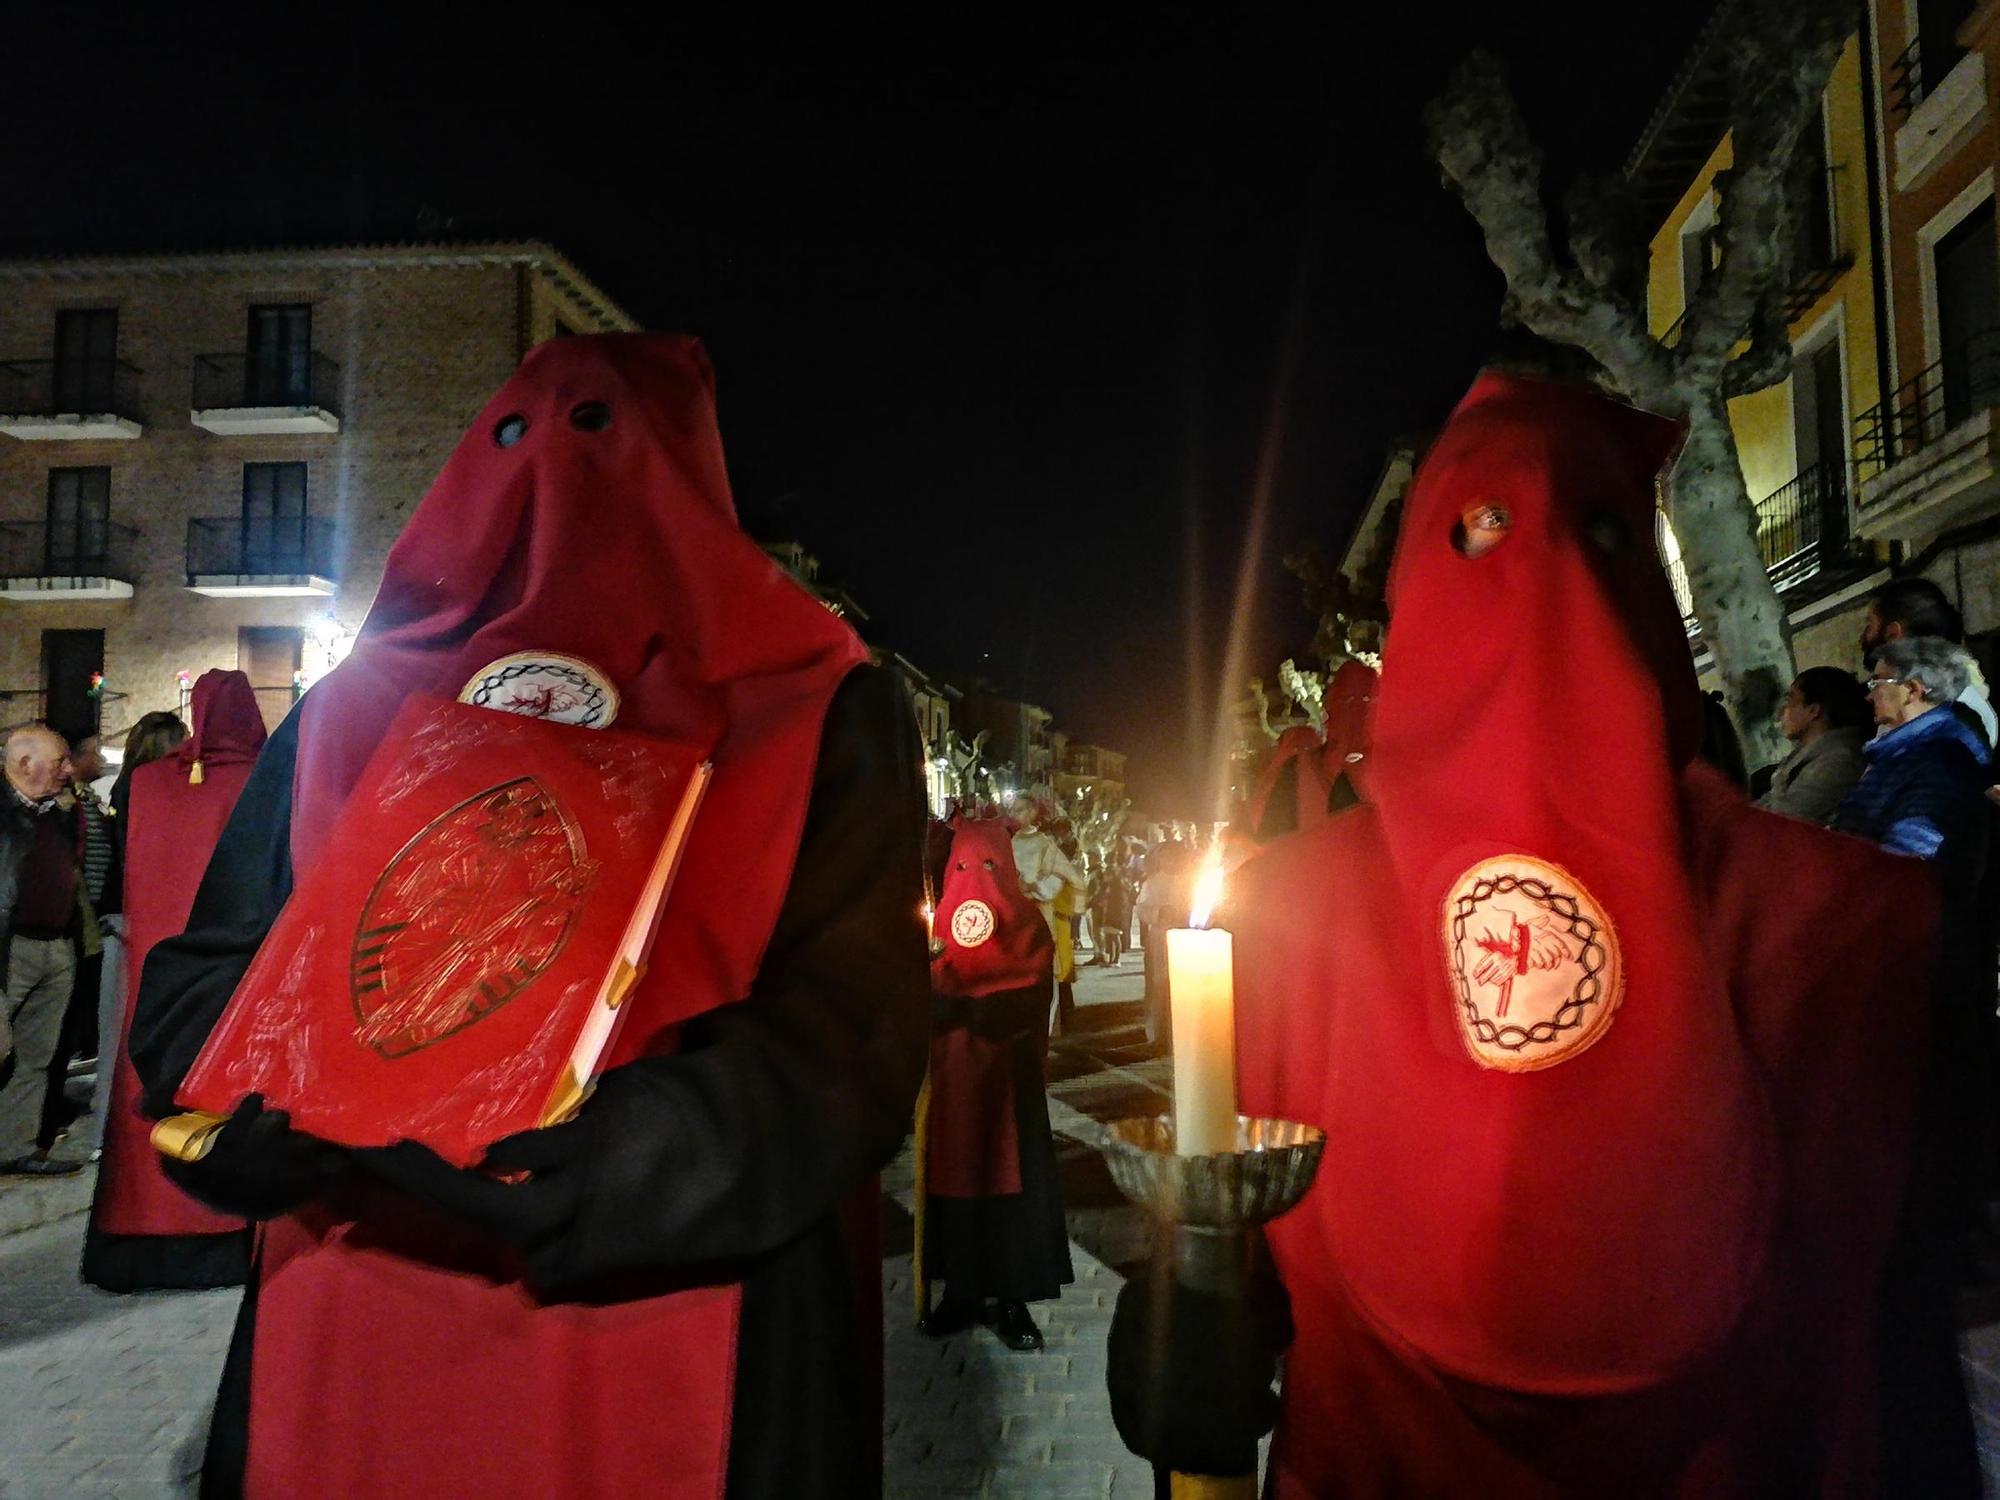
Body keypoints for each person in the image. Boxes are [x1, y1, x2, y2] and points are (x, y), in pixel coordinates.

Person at [1110, 370, 1952, 1493]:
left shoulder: (1284, 914)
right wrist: (1192, 1306)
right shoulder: (1850, 917)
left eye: (1589, 530)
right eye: (1485, 528)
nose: (1540, 572)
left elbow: (1895, 1316)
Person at [126, 334, 930, 1498]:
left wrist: (620, 1156)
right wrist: (253, 1102)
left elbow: (850, 1028)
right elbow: (205, 983)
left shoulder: (815, 709)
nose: (555, 476)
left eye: (602, 433)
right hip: (353, 1312)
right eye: (518, 436)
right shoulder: (349, 712)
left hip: (667, 1302)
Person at [83, 672, 265, 1292]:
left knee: (149, 1082)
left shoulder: (148, 782)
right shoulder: (261, 782)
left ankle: (139, 1225)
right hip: (233, 970)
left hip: (153, 970)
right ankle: (225, 1231)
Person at [920, 810, 1073, 1351]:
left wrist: (984, 1008)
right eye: (964, 865)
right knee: (956, 1182)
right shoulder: (935, 928)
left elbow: (1033, 994)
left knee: (1010, 1188)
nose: (977, 878)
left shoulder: (1029, 927)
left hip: (1010, 1090)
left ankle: (1011, 1297)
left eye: (989, 864)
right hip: (955, 1090)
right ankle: (960, 1293)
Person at [1, 724, 83, 1175]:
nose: (68, 770)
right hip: (10, 947)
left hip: (55, 946)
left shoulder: (57, 813)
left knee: (36, 1055)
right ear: (23, 763)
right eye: (59, 762)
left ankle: (14, 1146)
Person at [40, 731, 117, 1153]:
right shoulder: (58, 806)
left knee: (60, 1028)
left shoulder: (82, 799)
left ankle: (43, 1116)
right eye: (92, 751)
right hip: (61, 924)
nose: (97, 758)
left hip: (80, 922)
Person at [1860, 576, 1996, 747]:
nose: (1863, 637)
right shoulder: (1910, 702)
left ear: (1894, 634)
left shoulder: (1959, 710)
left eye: (1870, 624)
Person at [1755, 666, 1871, 824]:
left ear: (1814, 710)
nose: (1782, 711)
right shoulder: (1806, 754)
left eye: (1790, 701)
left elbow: (1786, 818)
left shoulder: (1839, 761)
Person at [1009, 794, 1085, 1033]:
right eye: (1013, 809)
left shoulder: (1043, 843)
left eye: (1021, 809)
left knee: (1043, 970)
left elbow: (1069, 878)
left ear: (1032, 812)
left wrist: (1036, 888)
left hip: (1040, 914)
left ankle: (1046, 1027)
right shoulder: (1004, 841)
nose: (1015, 814)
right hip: (1012, 917)